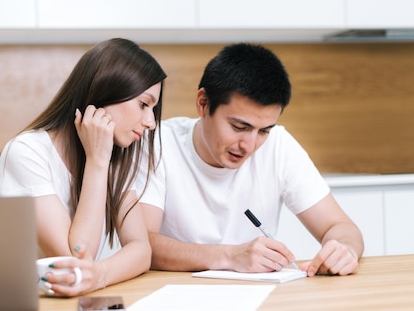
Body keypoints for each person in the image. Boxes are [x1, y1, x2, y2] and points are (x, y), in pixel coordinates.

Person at [137, 43, 363, 277]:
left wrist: (344, 250)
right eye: (238, 127)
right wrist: (230, 256)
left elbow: (342, 228)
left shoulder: (279, 145)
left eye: (264, 130)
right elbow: (142, 245)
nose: (249, 145)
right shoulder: (157, 144)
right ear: (203, 103)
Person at [0, 38, 166, 296]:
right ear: (106, 92)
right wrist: (97, 161)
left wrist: (101, 275)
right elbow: (75, 258)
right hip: (17, 306)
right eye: (143, 104)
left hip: (70, 307)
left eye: (153, 108)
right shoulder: (27, 152)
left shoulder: (113, 158)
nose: (150, 121)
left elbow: (141, 250)